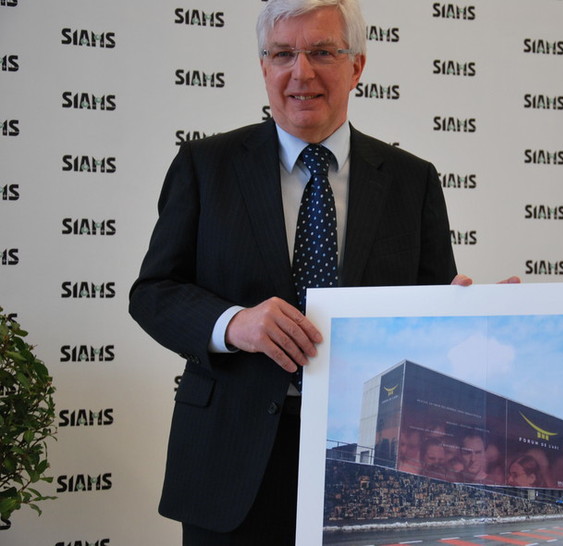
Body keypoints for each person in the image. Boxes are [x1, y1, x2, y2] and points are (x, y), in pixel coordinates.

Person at [129, 0, 480, 543]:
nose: (302, 72)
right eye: (283, 54)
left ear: (357, 66)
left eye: (322, 52)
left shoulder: (413, 181)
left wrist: (480, 315)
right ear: (264, 67)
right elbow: (153, 292)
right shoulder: (206, 166)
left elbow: (429, 311)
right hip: (231, 457)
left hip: (368, 457)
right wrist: (233, 323)